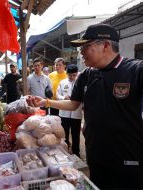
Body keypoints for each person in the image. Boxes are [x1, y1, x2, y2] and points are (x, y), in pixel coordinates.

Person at [27, 24, 143, 189]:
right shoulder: (87, 75)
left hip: (127, 158)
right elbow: (74, 104)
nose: (81, 51)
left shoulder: (135, 70)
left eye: (86, 46)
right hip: (95, 154)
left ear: (105, 45)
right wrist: (46, 102)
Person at [56, 64, 82, 157]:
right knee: (64, 133)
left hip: (76, 113)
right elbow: (57, 95)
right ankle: (65, 150)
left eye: (74, 75)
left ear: (77, 74)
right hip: (64, 113)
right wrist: (63, 97)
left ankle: (76, 152)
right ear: (67, 74)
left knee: (76, 134)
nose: (71, 77)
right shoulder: (62, 82)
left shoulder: (80, 83)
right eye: (69, 75)